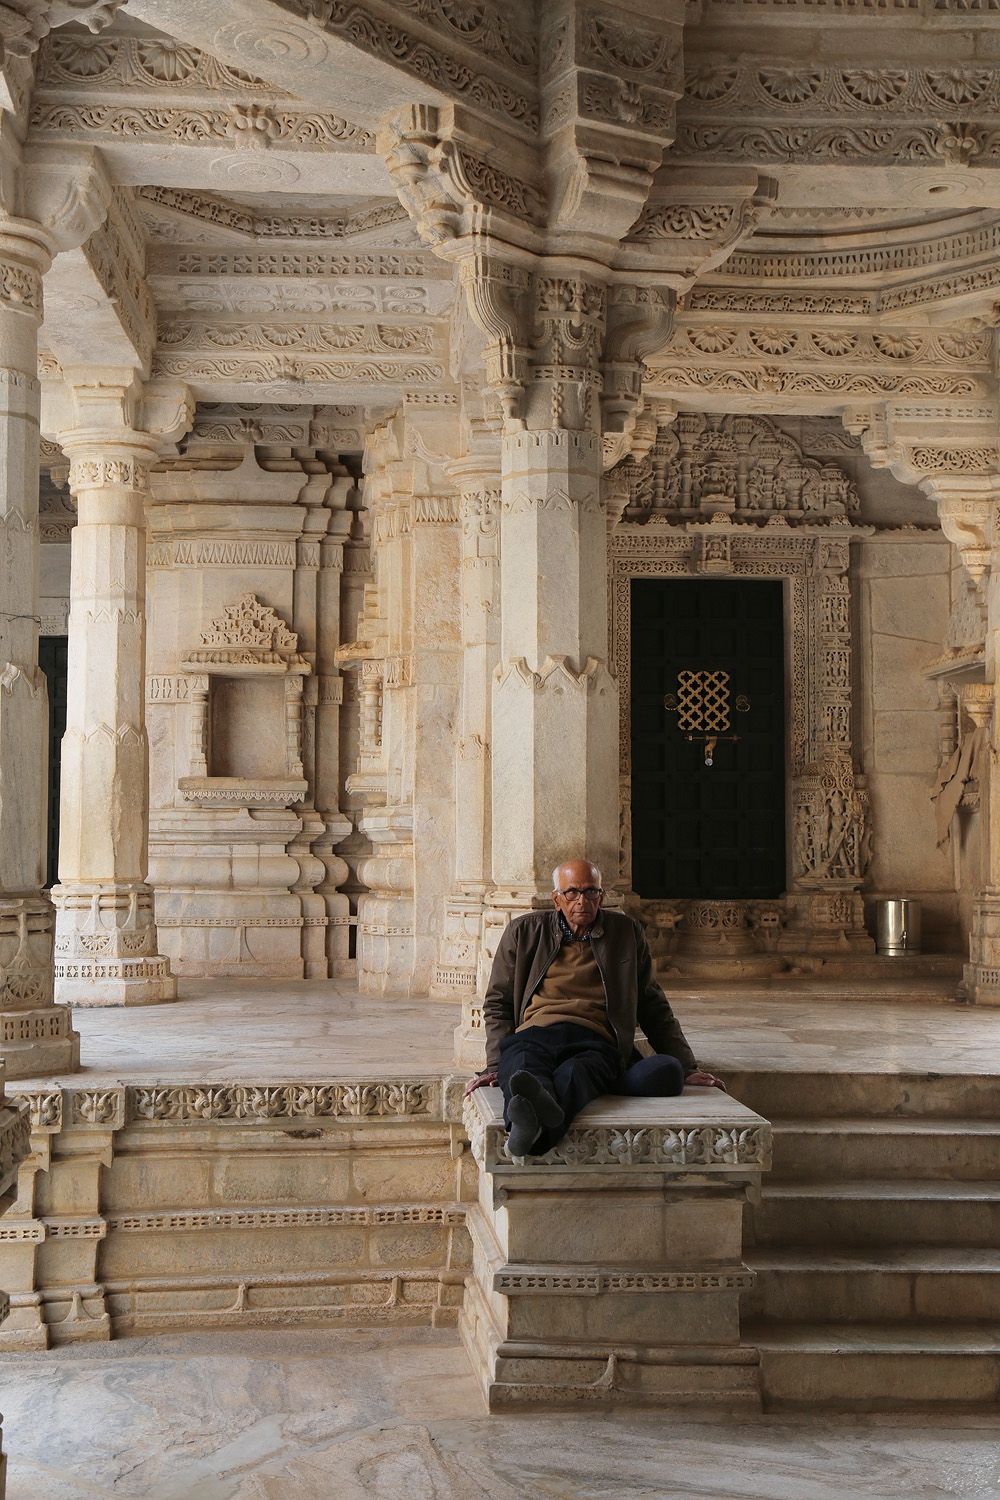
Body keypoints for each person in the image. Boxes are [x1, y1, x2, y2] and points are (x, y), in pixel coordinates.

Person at [465, 859, 726, 1159]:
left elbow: (653, 1004)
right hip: (534, 1033)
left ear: (601, 897)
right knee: (521, 1064)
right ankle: (534, 1115)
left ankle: (528, 1128)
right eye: (572, 892)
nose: (582, 901)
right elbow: (498, 1001)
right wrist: (495, 1065)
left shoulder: (626, 934)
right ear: (556, 898)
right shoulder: (524, 932)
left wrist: (688, 1067)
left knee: (579, 1073)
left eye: (591, 892)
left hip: (594, 1038)